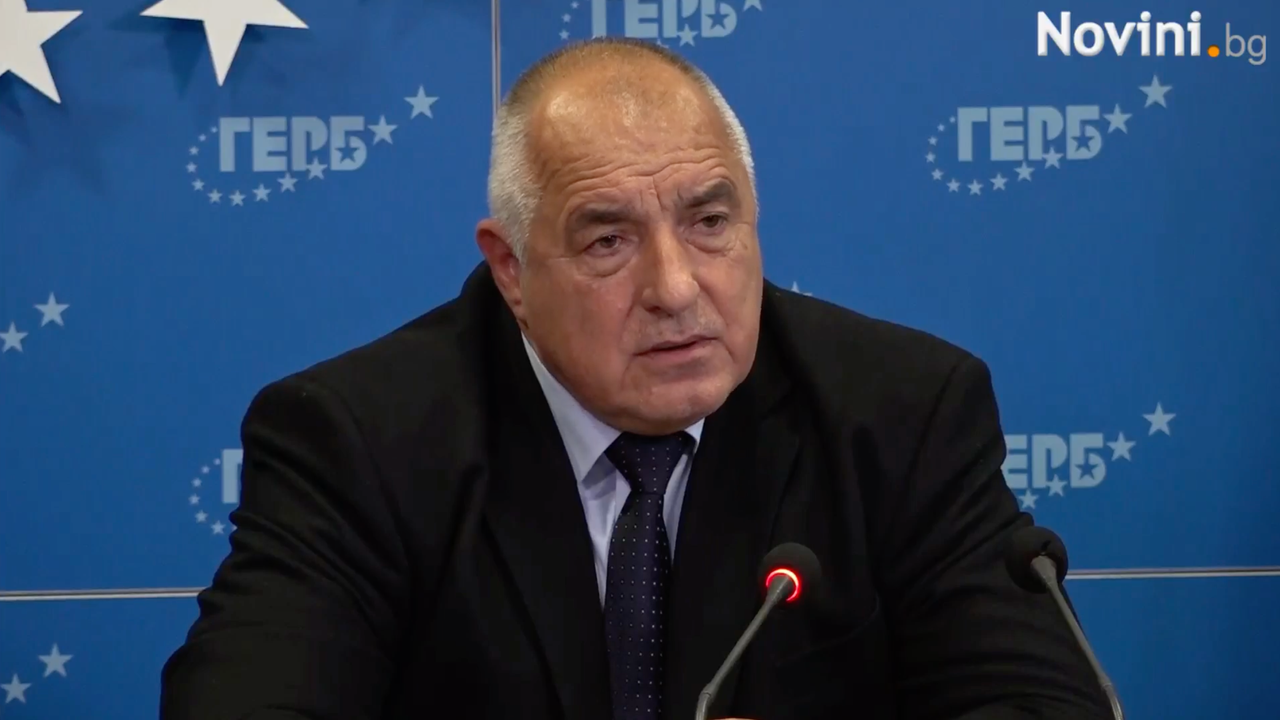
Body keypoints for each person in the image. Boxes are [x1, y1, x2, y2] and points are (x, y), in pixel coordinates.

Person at [159, 37, 1111, 720]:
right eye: (608, 240)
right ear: (511, 270)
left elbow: (1035, 700)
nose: (676, 288)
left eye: (710, 223)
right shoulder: (360, 442)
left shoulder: (900, 413)